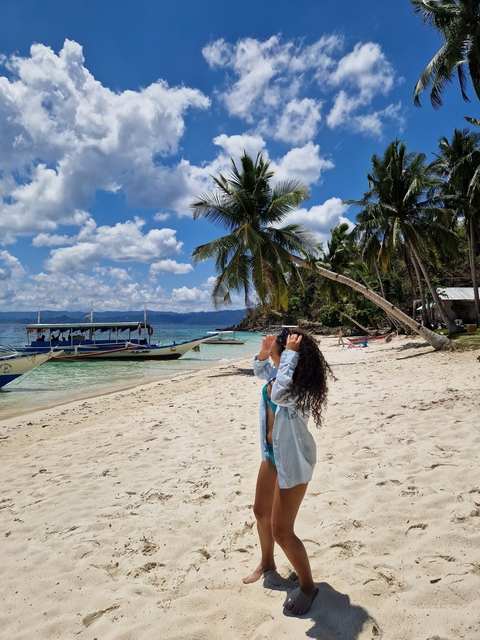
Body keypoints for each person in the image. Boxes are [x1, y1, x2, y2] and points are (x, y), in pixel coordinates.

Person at [243, 328, 333, 616]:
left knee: (282, 531)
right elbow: (259, 372)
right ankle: (268, 563)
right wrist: (265, 351)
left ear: (292, 358)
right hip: (271, 455)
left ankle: (308, 586)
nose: (272, 357)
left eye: (277, 353)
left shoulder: (296, 386)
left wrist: (289, 354)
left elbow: (279, 394)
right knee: (260, 512)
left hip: (293, 460)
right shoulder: (280, 373)